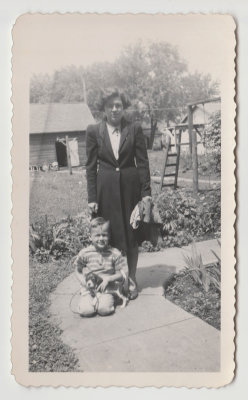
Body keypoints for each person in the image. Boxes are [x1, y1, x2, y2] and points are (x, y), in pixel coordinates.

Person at [86, 88, 152, 300]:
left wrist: (146, 194)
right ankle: (114, 281)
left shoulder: (134, 129)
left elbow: (142, 163)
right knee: (109, 236)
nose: (115, 109)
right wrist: (92, 198)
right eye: (110, 106)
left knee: (131, 236)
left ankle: (131, 279)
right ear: (104, 108)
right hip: (106, 192)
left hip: (131, 190)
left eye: (118, 105)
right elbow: (90, 167)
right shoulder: (94, 131)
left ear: (123, 108)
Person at [74, 217, 128, 317]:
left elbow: (121, 275)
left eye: (104, 235)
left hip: (107, 289)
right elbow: (77, 270)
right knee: (86, 311)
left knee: (104, 310)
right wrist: (83, 281)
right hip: (90, 289)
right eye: (97, 235)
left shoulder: (114, 253)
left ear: (109, 236)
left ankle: (111, 299)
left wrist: (109, 278)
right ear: (90, 237)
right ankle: (87, 301)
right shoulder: (85, 253)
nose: (101, 239)